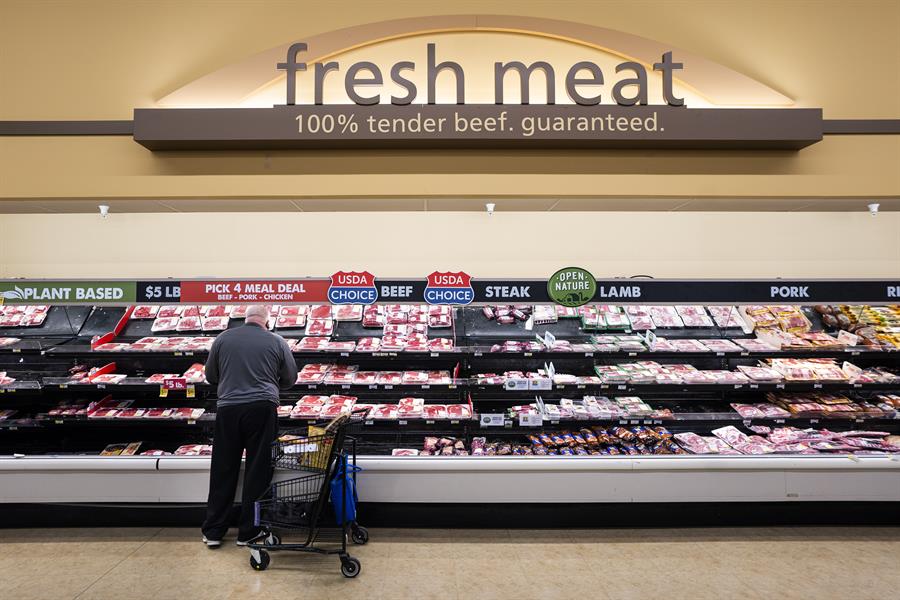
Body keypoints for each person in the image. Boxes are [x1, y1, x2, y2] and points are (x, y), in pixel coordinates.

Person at [201, 304, 298, 548]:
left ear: (244, 318)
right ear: (268, 320)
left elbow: (211, 376)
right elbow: (290, 379)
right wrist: (269, 381)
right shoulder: (276, 341)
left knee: (224, 467)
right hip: (262, 408)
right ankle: (249, 532)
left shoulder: (223, 339)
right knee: (258, 469)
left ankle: (213, 532)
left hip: (229, 408)